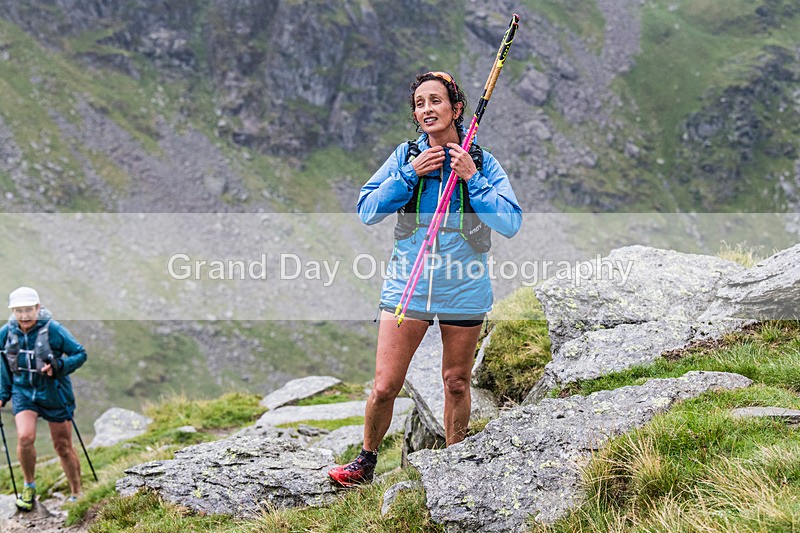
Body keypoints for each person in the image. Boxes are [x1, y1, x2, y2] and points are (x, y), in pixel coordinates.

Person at [329, 71, 522, 487]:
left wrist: (473, 178)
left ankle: (455, 465)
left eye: (436, 100)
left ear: (457, 109)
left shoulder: (481, 162)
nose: (427, 109)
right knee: (385, 386)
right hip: (408, 285)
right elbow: (367, 210)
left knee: (456, 382)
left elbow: (510, 222)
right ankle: (365, 462)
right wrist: (409, 174)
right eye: (419, 104)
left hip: (464, 287)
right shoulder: (406, 156)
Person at [0, 287, 87, 510]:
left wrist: (60, 365)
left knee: (62, 446)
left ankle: (77, 491)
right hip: (23, 392)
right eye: (19, 311)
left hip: (54, 393)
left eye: (29, 310)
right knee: (25, 437)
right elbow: (3, 362)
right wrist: (3, 394)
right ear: (13, 311)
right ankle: (29, 487)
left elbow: (80, 353)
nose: (24, 315)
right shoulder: (6, 332)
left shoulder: (53, 329)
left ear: (38, 308)